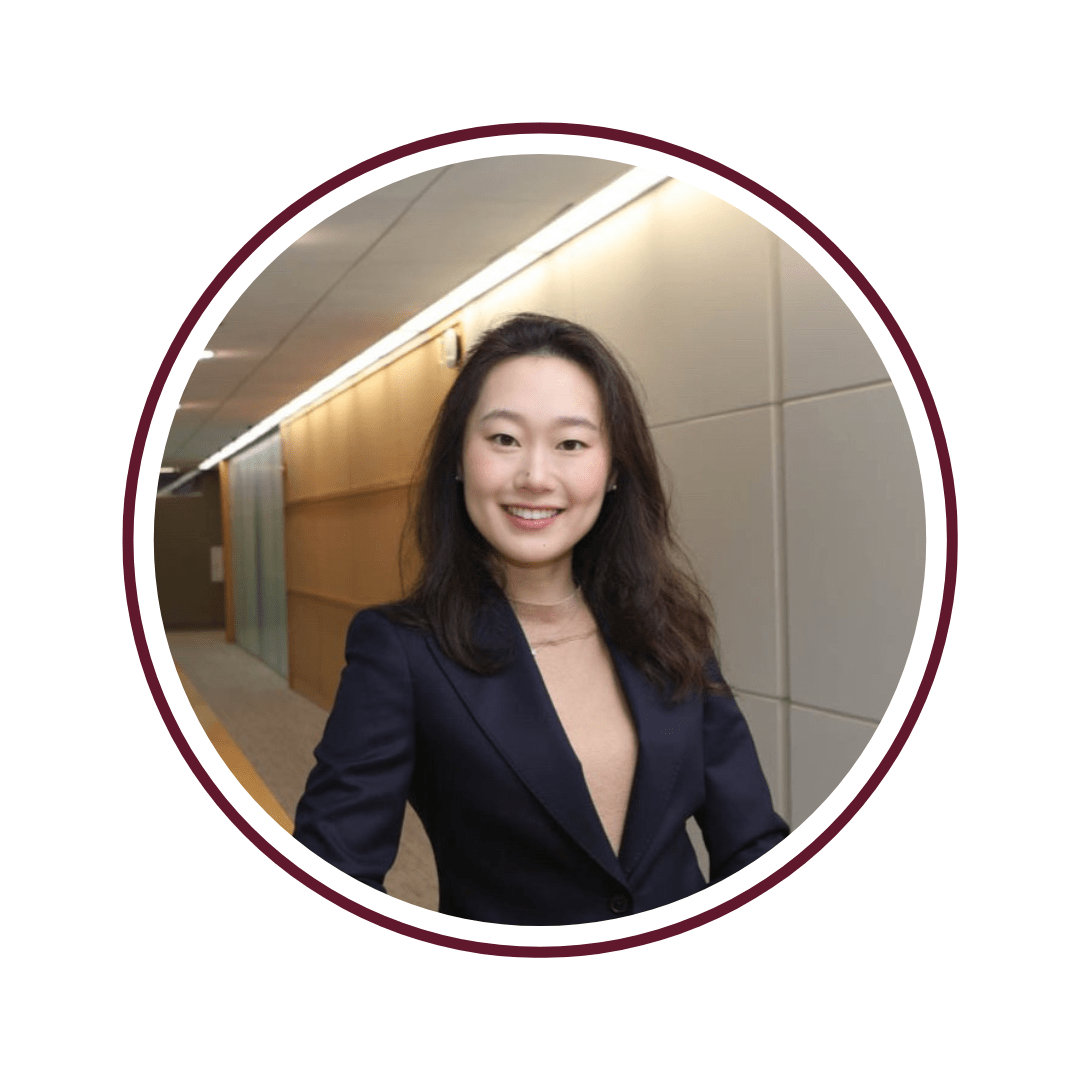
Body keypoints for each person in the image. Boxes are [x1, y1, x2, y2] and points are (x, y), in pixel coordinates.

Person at [293, 312, 788, 926]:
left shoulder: (668, 627)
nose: (534, 476)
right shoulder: (400, 651)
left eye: (571, 444)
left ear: (612, 472)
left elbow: (752, 847)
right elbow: (333, 880)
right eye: (503, 440)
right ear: (457, 459)